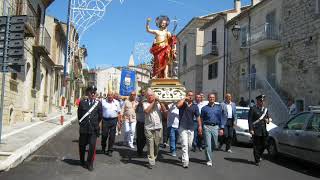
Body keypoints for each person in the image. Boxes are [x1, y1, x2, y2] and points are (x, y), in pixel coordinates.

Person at [77, 85, 102, 171]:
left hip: (93, 129)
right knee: (82, 146)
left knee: (92, 146)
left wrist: (96, 124)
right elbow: (79, 115)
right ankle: (82, 160)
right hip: (84, 128)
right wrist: (83, 124)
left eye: (94, 92)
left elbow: (100, 116)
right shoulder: (82, 102)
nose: (93, 94)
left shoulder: (98, 103)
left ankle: (90, 163)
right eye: (91, 92)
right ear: (88, 93)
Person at [143, 89, 167, 169]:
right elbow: (147, 111)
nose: (150, 97)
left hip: (158, 127)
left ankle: (154, 157)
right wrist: (154, 102)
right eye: (148, 95)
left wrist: (160, 101)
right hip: (148, 127)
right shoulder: (145, 103)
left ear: (154, 96)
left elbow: (165, 111)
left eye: (151, 95)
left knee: (157, 144)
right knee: (150, 144)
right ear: (146, 96)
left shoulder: (158, 103)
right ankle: (151, 161)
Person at [177, 91, 201, 168]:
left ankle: (185, 156)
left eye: (191, 95)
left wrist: (200, 126)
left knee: (189, 145)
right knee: (184, 144)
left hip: (191, 127)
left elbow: (198, 117)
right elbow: (178, 105)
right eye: (189, 95)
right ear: (187, 96)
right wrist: (184, 98)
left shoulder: (195, 106)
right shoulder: (183, 103)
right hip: (183, 127)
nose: (190, 96)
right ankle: (185, 162)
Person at [200, 93, 224, 167]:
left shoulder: (219, 108)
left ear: (215, 98)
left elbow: (221, 118)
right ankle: (209, 160)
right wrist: (200, 127)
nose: (211, 98)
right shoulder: (204, 108)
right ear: (208, 98)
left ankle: (209, 152)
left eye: (213, 97)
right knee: (208, 144)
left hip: (215, 127)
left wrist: (221, 128)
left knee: (214, 144)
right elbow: (201, 118)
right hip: (206, 127)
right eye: (210, 97)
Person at [248, 94, 272, 166]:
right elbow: (250, 120)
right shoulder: (253, 109)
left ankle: (259, 155)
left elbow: (267, 119)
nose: (262, 102)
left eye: (263, 101)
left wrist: (268, 120)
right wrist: (251, 129)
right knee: (256, 146)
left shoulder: (265, 110)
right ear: (257, 101)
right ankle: (257, 160)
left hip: (263, 130)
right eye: (261, 101)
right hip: (256, 130)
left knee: (265, 144)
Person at [101, 92, 122, 156]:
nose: (110, 96)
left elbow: (119, 113)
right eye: (108, 95)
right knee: (104, 135)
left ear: (113, 96)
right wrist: (99, 122)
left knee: (112, 136)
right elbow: (100, 112)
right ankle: (103, 147)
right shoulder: (103, 102)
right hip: (105, 120)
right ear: (107, 96)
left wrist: (119, 123)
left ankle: (110, 150)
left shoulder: (117, 102)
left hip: (114, 120)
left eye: (111, 95)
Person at [136, 90, 146, 156]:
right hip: (139, 122)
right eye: (142, 93)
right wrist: (138, 105)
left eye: (144, 93)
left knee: (145, 138)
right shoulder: (138, 104)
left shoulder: (147, 103)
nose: (143, 94)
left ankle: (141, 148)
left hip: (146, 123)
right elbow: (135, 111)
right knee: (139, 137)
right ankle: (139, 150)